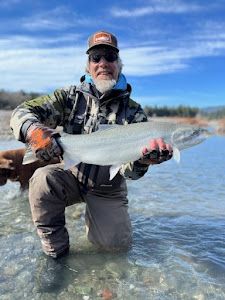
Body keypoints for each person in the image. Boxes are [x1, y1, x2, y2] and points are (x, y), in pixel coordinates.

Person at [10, 30, 173, 258]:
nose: (103, 63)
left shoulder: (135, 112)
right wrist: (33, 131)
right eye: (96, 57)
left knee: (115, 250)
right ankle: (56, 252)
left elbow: (130, 174)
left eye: (110, 56)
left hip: (109, 186)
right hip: (70, 174)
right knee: (42, 179)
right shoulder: (68, 97)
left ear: (119, 64)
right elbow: (22, 111)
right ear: (88, 66)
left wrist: (142, 162)